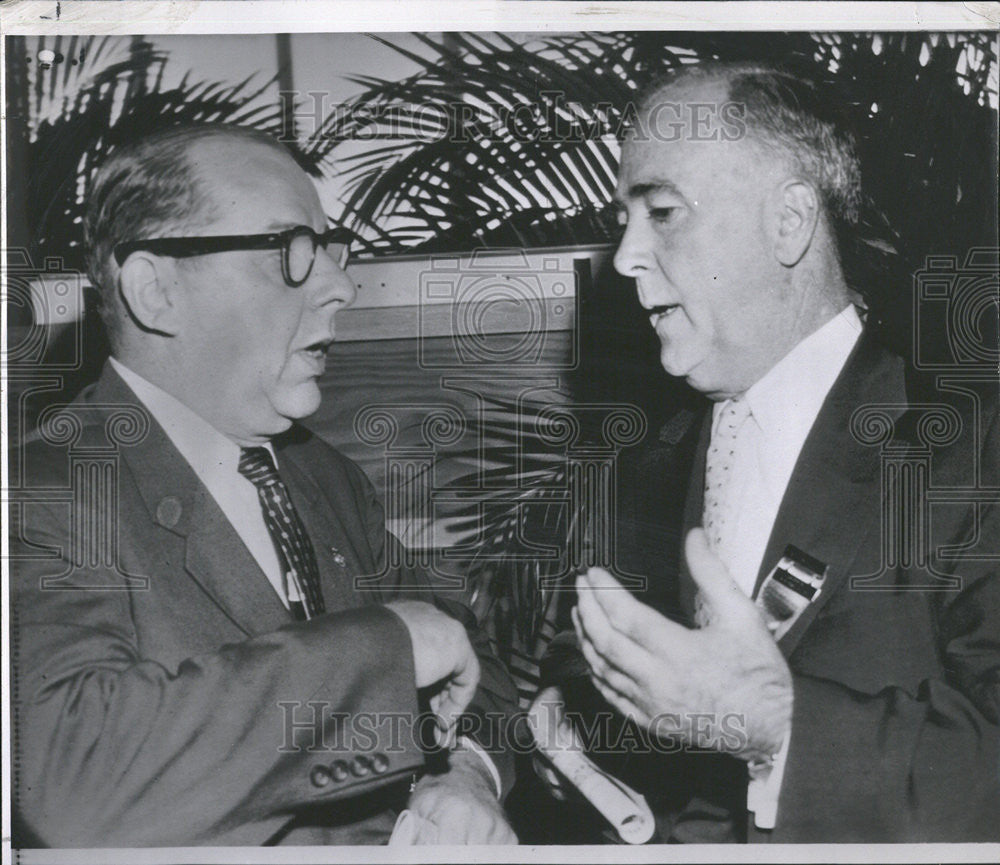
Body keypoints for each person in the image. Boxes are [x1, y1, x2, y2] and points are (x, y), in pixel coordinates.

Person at [10, 123, 519, 847]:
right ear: (156, 292)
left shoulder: (320, 472)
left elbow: (471, 653)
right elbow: (72, 779)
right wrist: (391, 643)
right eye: (289, 252)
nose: (341, 286)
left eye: (331, 249)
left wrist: (466, 771)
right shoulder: (41, 490)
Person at [533, 62, 1000, 842]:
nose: (624, 258)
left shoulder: (971, 448)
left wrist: (776, 727)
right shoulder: (635, 470)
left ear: (789, 221)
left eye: (662, 212)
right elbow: (584, 661)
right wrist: (576, 720)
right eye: (624, 219)